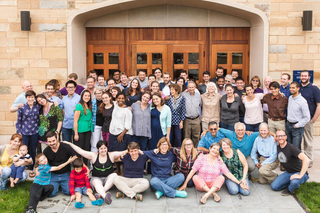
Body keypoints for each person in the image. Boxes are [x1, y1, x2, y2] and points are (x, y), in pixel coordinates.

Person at [181, 143, 248, 204]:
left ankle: (206, 195)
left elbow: (228, 174)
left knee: (222, 177)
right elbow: (192, 171)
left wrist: (239, 183)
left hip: (214, 185)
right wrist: (185, 183)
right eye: (214, 148)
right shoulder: (201, 158)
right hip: (202, 185)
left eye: (217, 149)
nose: (215, 150)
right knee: (195, 177)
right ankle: (213, 194)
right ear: (210, 149)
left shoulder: (219, 161)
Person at [62, 140, 125, 204]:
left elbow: (124, 152)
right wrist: (69, 143)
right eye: (101, 149)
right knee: (96, 182)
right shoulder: (93, 156)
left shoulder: (112, 155)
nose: (103, 150)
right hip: (97, 179)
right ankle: (104, 196)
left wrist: (133, 149)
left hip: (108, 180)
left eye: (105, 148)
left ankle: (100, 194)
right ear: (98, 149)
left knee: (114, 175)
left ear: (107, 148)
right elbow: (81, 151)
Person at [271, 130, 310, 196]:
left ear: (286, 137)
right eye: (278, 136)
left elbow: (306, 159)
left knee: (294, 182)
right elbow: (267, 131)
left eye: (282, 136)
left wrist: (300, 175)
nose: (280, 138)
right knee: (274, 187)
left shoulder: (292, 148)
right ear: (276, 137)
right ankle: (291, 183)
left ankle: (290, 189)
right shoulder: (277, 146)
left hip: (299, 172)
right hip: (289, 172)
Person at [43, 131, 78, 197]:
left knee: (69, 192)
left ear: (57, 139)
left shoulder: (65, 147)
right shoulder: (46, 151)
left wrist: (85, 168)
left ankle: (63, 185)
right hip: (54, 174)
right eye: (49, 142)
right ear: (47, 142)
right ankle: (56, 185)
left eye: (53, 141)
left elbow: (75, 157)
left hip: (65, 173)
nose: (52, 143)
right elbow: (43, 164)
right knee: (51, 194)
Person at [16, 90, 40, 177]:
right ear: (26, 98)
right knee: (24, 150)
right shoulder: (22, 108)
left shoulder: (38, 107)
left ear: (34, 98)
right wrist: (19, 132)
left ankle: (31, 167)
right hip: (24, 132)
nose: (30, 99)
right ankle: (24, 166)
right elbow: (19, 121)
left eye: (32, 97)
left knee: (33, 149)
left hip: (34, 132)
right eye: (29, 97)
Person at [299, 70, 320, 168]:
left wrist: (314, 118)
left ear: (309, 77)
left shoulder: (314, 89)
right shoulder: (297, 87)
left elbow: (319, 104)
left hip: (308, 119)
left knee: (308, 140)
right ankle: (299, 159)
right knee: (297, 140)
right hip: (297, 119)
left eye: (305, 76)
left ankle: (309, 160)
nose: (303, 77)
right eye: (302, 76)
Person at [109, 93, 133, 174]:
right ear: (116, 99)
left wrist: (121, 135)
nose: (121, 100)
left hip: (123, 134)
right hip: (113, 133)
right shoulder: (115, 106)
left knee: (122, 153)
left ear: (125, 99)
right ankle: (118, 170)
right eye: (119, 98)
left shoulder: (127, 110)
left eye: (123, 98)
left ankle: (123, 171)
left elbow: (128, 125)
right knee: (114, 152)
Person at [286, 82, 310, 150]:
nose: (291, 89)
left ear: (298, 88)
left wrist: (296, 125)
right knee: (288, 146)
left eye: (293, 88)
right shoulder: (290, 98)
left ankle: (297, 161)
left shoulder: (302, 101)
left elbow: (307, 117)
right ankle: (290, 160)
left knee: (296, 148)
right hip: (288, 125)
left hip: (297, 127)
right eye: (290, 87)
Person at [148, 93, 171, 161]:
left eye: (157, 99)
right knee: (152, 149)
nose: (155, 101)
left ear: (161, 98)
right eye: (153, 99)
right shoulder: (151, 107)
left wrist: (167, 136)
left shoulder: (167, 108)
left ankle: (161, 167)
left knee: (162, 149)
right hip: (152, 133)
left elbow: (168, 123)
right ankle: (150, 169)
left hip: (162, 132)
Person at [74, 90, 93, 165]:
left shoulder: (89, 105)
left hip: (88, 130)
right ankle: (78, 166)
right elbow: (75, 120)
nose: (87, 97)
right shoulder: (79, 105)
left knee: (86, 149)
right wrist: (76, 133)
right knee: (79, 149)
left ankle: (85, 165)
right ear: (82, 96)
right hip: (80, 130)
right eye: (85, 95)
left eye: (88, 96)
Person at [182, 81, 202, 147]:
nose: (191, 89)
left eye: (192, 87)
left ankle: (195, 150)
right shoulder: (183, 95)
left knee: (196, 136)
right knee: (186, 136)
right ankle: (186, 150)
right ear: (187, 88)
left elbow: (201, 104)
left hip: (196, 119)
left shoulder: (198, 95)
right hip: (187, 119)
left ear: (195, 87)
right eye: (189, 87)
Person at [90, 88, 104, 153]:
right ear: (95, 94)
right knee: (95, 143)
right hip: (96, 125)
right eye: (97, 93)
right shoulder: (92, 102)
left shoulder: (105, 101)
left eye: (100, 93)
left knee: (103, 144)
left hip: (105, 126)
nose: (99, 95)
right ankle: (93, 162)